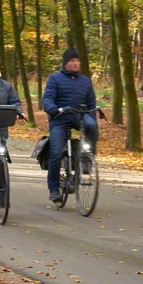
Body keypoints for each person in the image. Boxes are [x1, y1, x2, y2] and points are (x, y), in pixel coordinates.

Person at [42, 48, 98, 203]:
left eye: (77, 61)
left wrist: (92, 115)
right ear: (65, 63)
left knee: (92, 125)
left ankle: (88, 159)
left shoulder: (85, 81)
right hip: (59, 118)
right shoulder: (55, 79)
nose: (75, 63)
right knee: (56, 152)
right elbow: (47, 97)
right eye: (72, 61)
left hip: (79, 116)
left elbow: (91, 102)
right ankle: (54, 189)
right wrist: (51, 109)